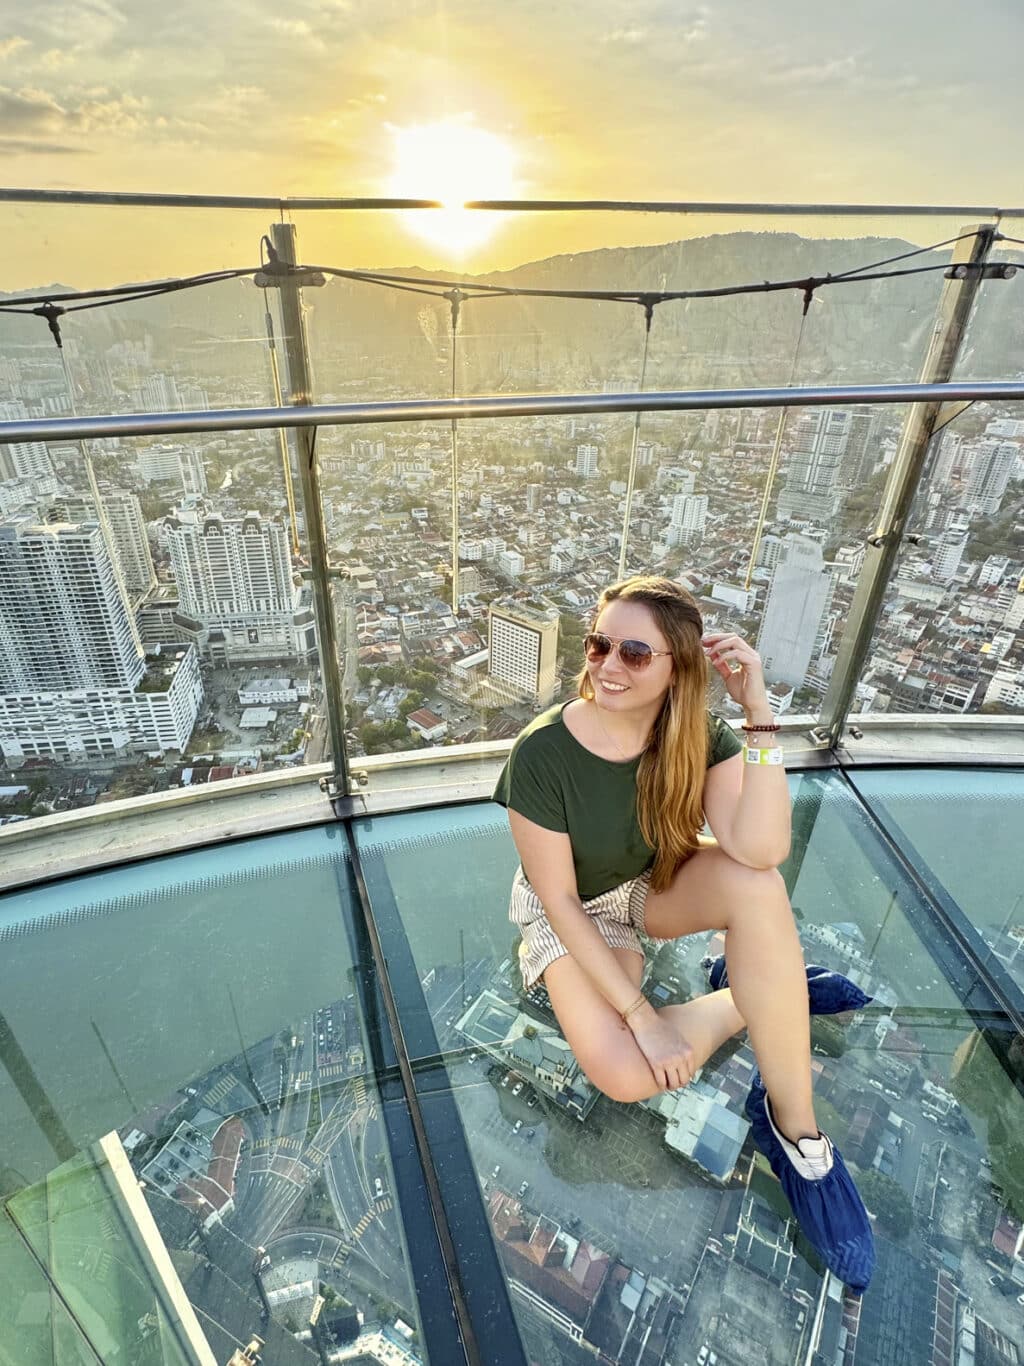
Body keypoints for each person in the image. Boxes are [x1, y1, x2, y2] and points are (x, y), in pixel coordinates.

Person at [493, 575, 875, 1295]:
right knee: (624, 1071)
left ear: (678, 666)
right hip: (569, 912)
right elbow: (561, 902)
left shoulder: (695, 730)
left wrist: (759, 712)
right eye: (600, 644)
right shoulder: (541, 754)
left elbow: (760, 849)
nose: (608, 664)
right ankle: (763, 994)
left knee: (756, 888)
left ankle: (796, 1133)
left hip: (648, 887)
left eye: (636, 653)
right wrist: (644, 1018)